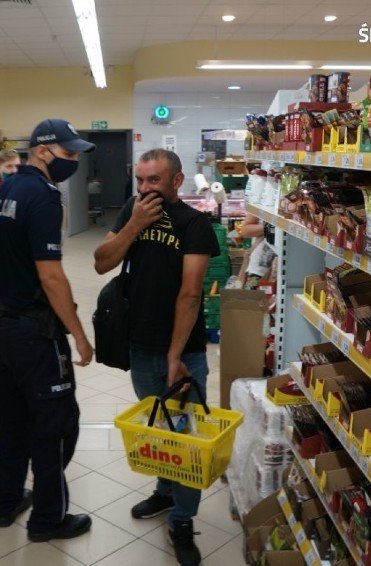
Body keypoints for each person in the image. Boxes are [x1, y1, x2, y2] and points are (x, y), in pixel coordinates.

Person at [93, 148, 220, 566]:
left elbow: (190, 294)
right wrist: (133, 225)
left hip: (181, 350)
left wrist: (174, 355)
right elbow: (101, 262)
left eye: (155, 181)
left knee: (184, 437)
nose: (146, 189)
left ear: (177, 181)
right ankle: (165, 494)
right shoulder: (134, 211)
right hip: (138, 343)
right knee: (157, 428)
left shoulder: (195, 224)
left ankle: (183, 520)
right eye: (141, 181)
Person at [0, 118, 95, 543]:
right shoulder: (46, 197)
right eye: (68, 154)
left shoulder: (7, 188)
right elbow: (51, 276)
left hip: (4, 325)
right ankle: (48, 519)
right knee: (55, 424)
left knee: (12, 420)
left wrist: (11, 291)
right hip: (35, 334)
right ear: (44, 151)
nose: (73, 161)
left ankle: (7, 500)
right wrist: (79, 336)